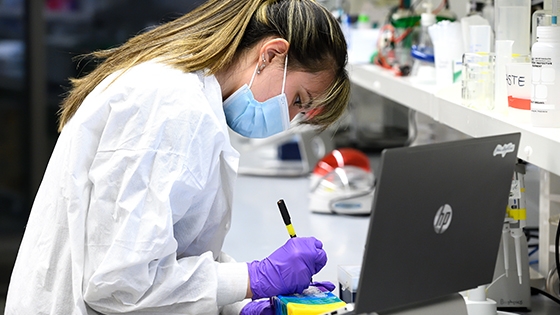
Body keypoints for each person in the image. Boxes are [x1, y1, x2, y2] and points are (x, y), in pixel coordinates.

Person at [5, 0, 350, 314]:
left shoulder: (189, 95)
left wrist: (240, 302)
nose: (288, 119)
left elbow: (171, 252)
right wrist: (252, 279)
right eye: (298, 100)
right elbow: (120, 286)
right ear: (271, 54)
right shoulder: (172, 105)